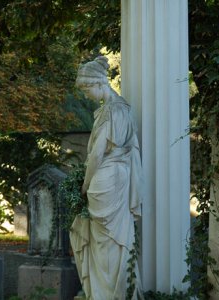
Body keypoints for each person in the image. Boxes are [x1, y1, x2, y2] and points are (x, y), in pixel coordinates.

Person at [70, 56, 143, 300]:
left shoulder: (112, 111)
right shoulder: (121, 109)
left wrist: (84, 184)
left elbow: (97, 155)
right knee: (110, 240)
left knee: (106, 242)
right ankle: (109, 293)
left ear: (99, 83)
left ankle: (105, 293)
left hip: (105, 180)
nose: (86, 95)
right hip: (117, 178)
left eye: (87, 89)